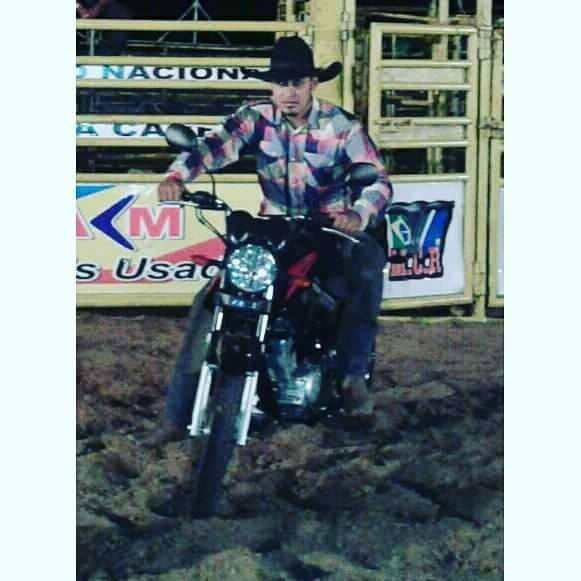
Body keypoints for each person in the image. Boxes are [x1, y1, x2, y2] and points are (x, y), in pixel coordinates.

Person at [145, 36, 393, 446]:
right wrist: (176, 176)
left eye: (296, 83)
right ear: (271, 87)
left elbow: (377, 180)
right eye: (280, 84)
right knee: (212, 299)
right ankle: (175, 416)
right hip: (274, 227)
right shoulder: (255, 118)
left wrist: (358, 214)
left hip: (329, 228)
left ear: (313, 84)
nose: (288, 92)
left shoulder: (342, 127)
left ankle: (352, 379)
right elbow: (211, 147)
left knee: (363, 276)